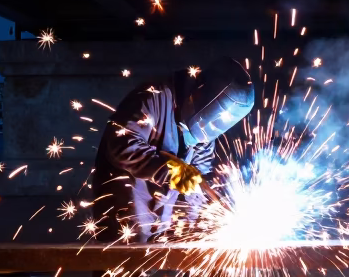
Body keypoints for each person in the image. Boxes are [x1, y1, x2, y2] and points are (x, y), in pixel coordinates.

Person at [93, 57, 254, 243]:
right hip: (126, 205)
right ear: (198, 94)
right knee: (124, 263)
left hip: (162, 212)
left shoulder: (208, 129)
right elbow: (122, 144)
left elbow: (199, 178)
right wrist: (169, 170)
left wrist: (209, 217)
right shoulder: (152, 97)